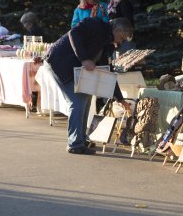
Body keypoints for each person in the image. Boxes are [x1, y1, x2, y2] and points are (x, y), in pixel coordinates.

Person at [43, 17, 133, 154]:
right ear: (117, 29)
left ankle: (81, 139)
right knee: (77, 101)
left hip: (72, 68)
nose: (122, 41)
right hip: (58, 62)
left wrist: (120, 99)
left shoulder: (107, 43)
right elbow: (73, 33)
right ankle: (74, 144)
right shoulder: (96, 24)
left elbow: (108, 72)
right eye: (123, 37)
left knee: (85, 99)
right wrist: (84, 58)